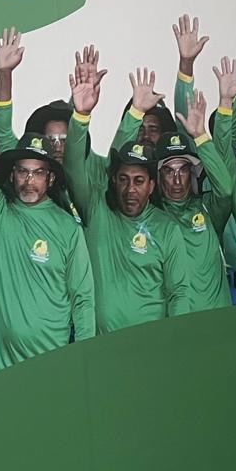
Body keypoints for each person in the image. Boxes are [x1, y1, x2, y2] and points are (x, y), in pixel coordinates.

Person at [0, 56, 95, 373]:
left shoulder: (67, 227)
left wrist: (85, 356)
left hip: (51, 367)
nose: (29, 180)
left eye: (38, 172)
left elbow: (83, 297)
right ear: (12, 174)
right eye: (22, 171)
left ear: (51, 178)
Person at [65, 62, 191, 332]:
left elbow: (179, 293)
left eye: (139, 181)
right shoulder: (96, 208)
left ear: (152, 185)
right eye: (123, 179)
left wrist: (177, 340)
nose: (130, 189)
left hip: (150, 348)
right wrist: (81, 114)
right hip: (101, 345)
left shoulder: (167, 228)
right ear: (113, 180)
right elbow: (73, 165)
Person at [156, 76, 236, 311]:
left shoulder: (207, 209)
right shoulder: (152, 218)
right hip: (178, 325)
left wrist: (201, 135)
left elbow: (226, 189)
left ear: (192, 173)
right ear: (158, 176)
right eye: (169, 171)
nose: (177, 179)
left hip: (217, 322)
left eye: (183, 169)